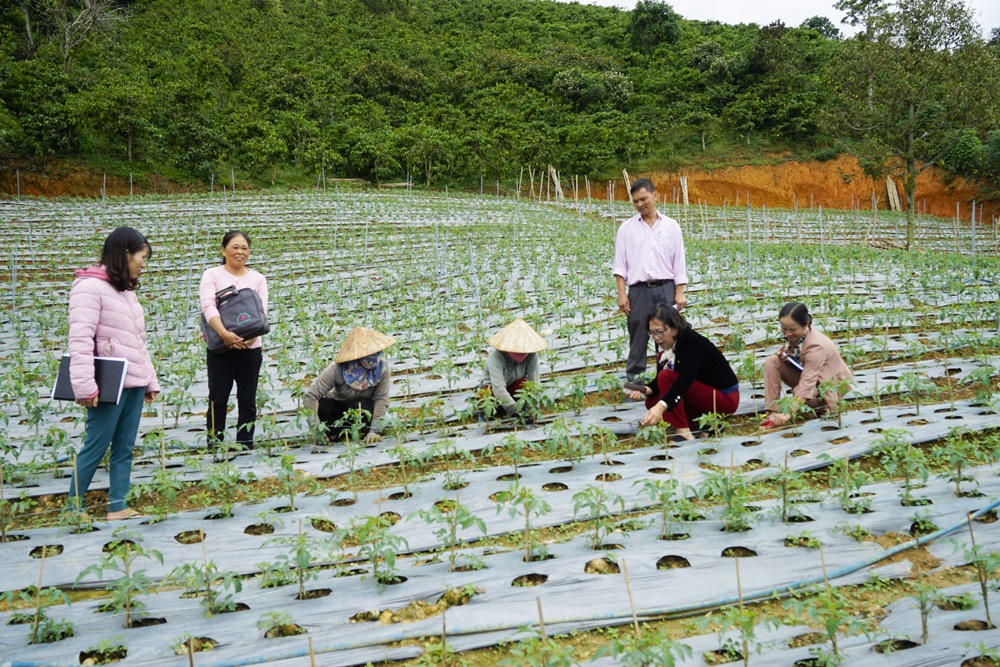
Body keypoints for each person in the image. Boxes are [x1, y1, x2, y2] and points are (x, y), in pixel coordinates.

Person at [67, 227, 160, 521]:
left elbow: (138, 340)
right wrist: (85, 387)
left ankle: (118, 505)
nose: (143, 264)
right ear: (125, 254)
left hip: (133, 380)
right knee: (95, 446)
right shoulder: (88, 288)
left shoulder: (126, 291)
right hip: (108, 384)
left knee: (124, 448)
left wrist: (149, 380)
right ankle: (74, 508)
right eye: (141, 257)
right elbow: (80, 339)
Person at [625, 304, 739, 441]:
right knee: (652, 401)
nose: (656, 337)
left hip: (723, 399)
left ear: (674, 327)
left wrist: (661, 407)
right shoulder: (666, 344)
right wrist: (644, 390)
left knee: (665, 384)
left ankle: (684, 432)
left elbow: (685, 380)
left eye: (659, 331)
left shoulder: (691, 342)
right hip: (700, 396)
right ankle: (704, 424)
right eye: (652, 332)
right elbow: (660, 380)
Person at [613, 177, 688, 381]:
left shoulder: (672, 227)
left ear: (655, 196)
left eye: (643, 199)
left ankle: (667, 380)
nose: (640, 204)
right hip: (639, 291)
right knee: (638, 336)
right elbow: (620, 265)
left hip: (666, 288)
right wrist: (622, 294)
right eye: (636, 201)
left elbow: (678, 261)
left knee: (667, 336)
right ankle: (635, 383)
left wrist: (679, 291)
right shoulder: (626, 229)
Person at [200, 230, 268, 450]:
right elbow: (208, 306)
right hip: (221, 347)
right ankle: (214, 444)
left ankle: (245, 444)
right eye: (235, 247)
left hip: (250, 349)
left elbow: (261, 312)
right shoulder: (212, 275)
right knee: (218, 398)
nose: (240, 252)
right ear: (223, 250)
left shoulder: (258, 278)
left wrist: (251, 338)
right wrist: (224, 334)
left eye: (244, 248)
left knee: (247, 399)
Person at [762, 302, 853, 429]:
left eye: (792, 329)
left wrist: (788, 413)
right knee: (772, 362)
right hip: (814, 377)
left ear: (806, 324)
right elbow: (801, 360)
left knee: (805, 397)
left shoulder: (816, 346)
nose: (787, 333)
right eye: (784, 328)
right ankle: (773, 411)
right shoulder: (799, 336)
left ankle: (826, 407)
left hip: (829, 385)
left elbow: (807, 383)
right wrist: (788, 357)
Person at [303, 327, 395, 444]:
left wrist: (375, 430)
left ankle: (362, 432)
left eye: (376, 352)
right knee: (323, 406)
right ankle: (334, 434)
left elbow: (381, 399)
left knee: (360, 406)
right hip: (340, 409)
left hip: (362, 411)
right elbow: (311, 397)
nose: (374, 356)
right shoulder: (336, 369)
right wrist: (316, 430)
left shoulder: (382, 368)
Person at [480, 318, 548, 418]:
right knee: (484, 396)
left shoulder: (531, 355)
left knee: (525, 385)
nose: (523, 353)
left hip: (514, 388)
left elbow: (534, 383)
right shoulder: (496, 358)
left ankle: (518, 407)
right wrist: (515, 411)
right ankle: (493, 413)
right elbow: (498, 388)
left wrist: (534, 409)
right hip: (494, 390)